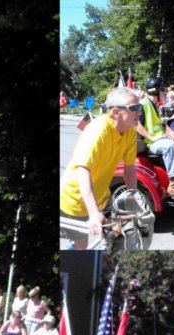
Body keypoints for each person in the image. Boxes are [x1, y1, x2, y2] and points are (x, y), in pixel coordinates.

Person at [60, 87, 139, 244]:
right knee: (81, 247)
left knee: (116, 238)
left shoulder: (130, 132)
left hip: (102, 197)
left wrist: (133, 199)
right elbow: (82, 170)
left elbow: (129, 168)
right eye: (135, 108)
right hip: (75, 200)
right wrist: (94, 213)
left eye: (140, 107)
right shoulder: (98, 130)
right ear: (116, 112)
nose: (140, 112)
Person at [136, 77, 174, 201]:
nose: (165, 93)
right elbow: (136, 124)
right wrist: (152, 137)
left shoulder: (153, 105)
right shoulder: (143, 104)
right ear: (157, 91)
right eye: (163, 90)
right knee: (169, 146)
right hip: (149, 142)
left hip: (155, 140)